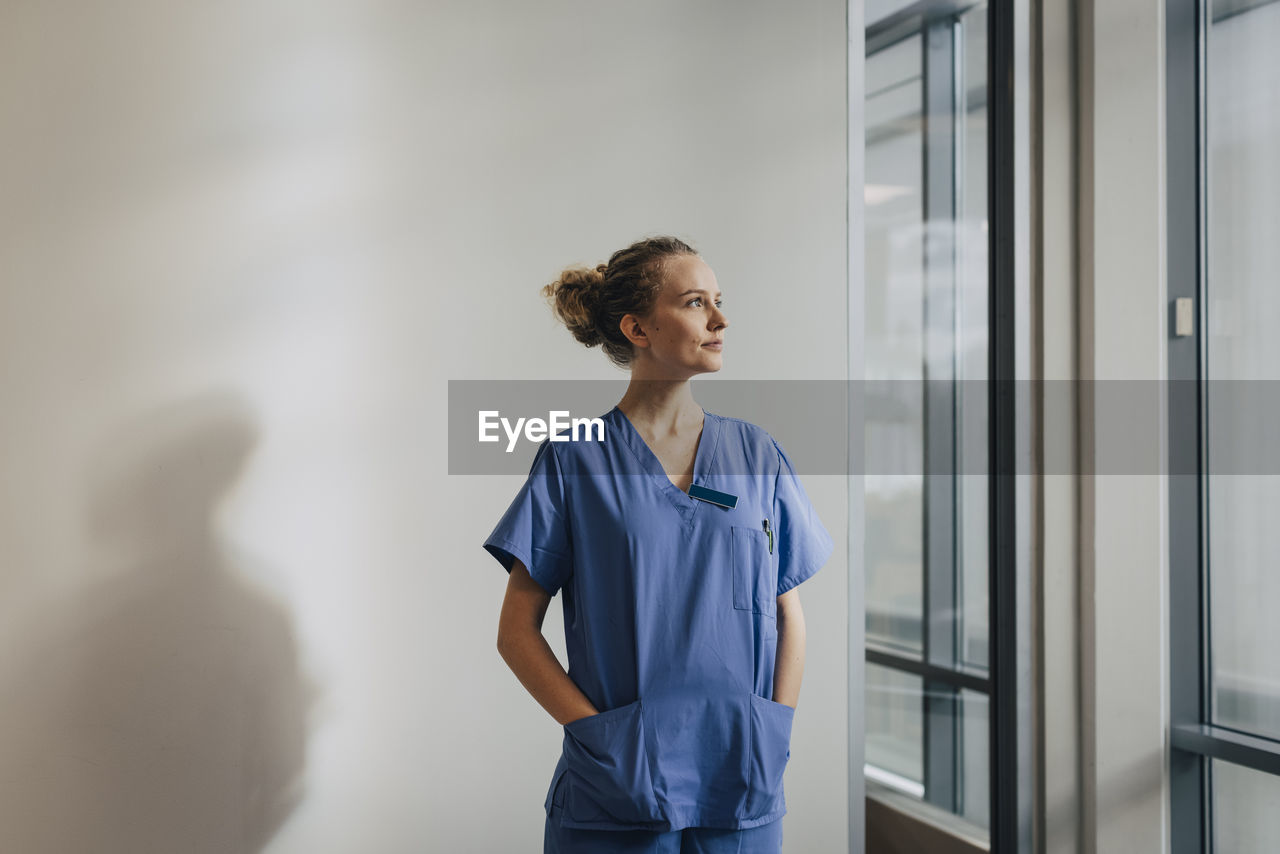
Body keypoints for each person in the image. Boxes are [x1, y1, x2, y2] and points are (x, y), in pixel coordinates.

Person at [483, 235, 834, 854]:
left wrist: (774, 728)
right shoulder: (575, 459)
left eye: (719, 301)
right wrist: (601, 741)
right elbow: (516, 631)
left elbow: (788, 611)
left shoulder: (757, 454)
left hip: (742, 779)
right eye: (697, 302)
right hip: (616, 791)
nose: (720, 319)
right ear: (637, 327)